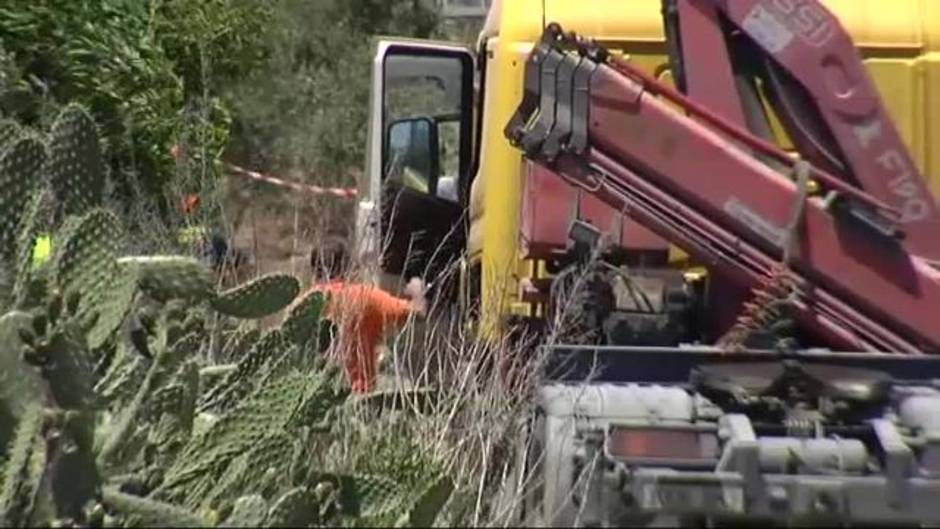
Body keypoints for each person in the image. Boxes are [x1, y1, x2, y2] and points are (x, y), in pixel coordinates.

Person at [300, 235, 426, 393]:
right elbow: (418, 312)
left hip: (311, 400)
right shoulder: (366, 297)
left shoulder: (303, 305)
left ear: (314, 268)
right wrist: (417, 290)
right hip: (359, 398)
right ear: (347, 266)